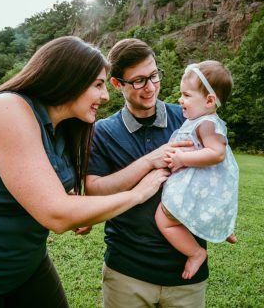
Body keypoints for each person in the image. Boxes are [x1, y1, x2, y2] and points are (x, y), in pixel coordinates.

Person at [0, 36, 168, 307]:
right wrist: (139, 193)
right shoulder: (8, 108)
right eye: (98, 85)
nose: (105, 96)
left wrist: (82, 209)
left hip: (25, 264)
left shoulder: (61, 128)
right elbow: (56, 213)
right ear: (68, 79)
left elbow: (58, 193)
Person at [87, 38, 207, 308]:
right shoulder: (102, 132)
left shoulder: (190, 119)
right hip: (126, 273)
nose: (151, 87)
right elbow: (93, 189)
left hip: (187, 275)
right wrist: (149, 162)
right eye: (138, 81)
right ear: (117, 84)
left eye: (154, 75)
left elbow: (217, 171)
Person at [155, 62, 239, 280]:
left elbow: (217, 153)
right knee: (205, 206)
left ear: (210, 100)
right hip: (203, 183)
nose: (180, 100)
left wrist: (182, 158)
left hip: (197, 181)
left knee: (163, 218)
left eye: (186, 95)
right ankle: (223, 229)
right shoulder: (200, 121)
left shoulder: (207, 124)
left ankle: (195, 252)